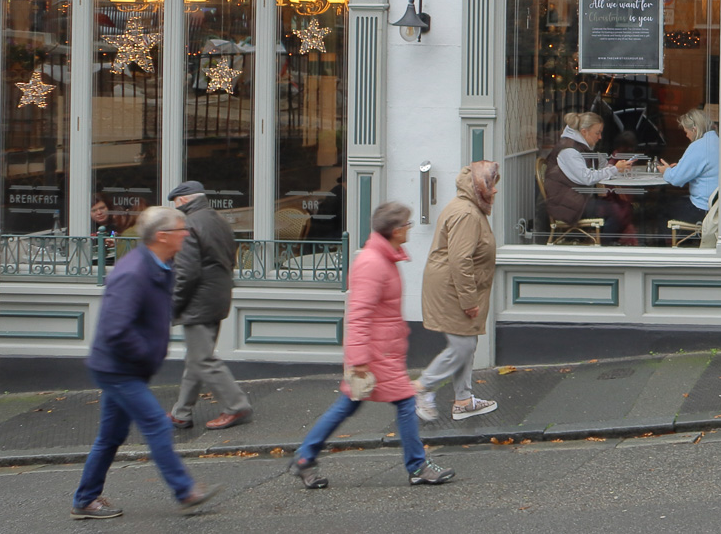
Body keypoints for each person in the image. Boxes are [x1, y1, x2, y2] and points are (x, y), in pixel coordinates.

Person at [70, 206, 224, 520]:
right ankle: (185, 492)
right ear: (163, 236)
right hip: (118, 368)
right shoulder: (133, 272)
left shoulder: (158, 264)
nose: (187, 233)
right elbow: (115, 329)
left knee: (111, 436)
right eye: (182, 229)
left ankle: (85, 500)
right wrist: (144, 354)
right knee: (156, 424)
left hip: (125, 366)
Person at [288, 202, 455, 489]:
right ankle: (418, 466)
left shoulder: (382, 257)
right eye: (407, 224)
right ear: (395, 230)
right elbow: (358, 315)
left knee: (347, 406)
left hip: (382, 350)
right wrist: (359, 360)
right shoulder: (372, 262)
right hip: (376, 354)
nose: (410, 229)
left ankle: (305, 457)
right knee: (404, 402)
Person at [416, 161, 500, 423]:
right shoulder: (467, 214)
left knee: (467, 342)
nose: (495, 191)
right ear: (479, 186)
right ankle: (421, 388)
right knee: (462, 346)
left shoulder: (469, 208)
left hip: (453, 286)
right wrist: (469, 300)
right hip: (451, 289)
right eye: (492, 184)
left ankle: (463, 401)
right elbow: (460, 260)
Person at [165, 181, 250, 431]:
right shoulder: (218, 220)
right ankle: (181, 412)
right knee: (196, 358)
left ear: (182, 201)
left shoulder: (189, 225)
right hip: (217, 295)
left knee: (202, 359)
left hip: (198, 300)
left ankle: (237, 406)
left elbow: (186, 273)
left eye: (176, 205)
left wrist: (173, 305)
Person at [542, 111, 634, 236]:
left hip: (576, 200)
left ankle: (601, 241)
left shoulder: (580, 147)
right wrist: (614, 169)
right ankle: (604, 245)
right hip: (566, 205)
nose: (600, 137)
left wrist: (616, 167)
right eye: (597, 133)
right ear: (584, 132)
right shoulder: (569, 151)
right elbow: (587, 178)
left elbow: (599, 165)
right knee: (618, 211)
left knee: (623, 207)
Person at [654, 107, 721, 228]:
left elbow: (676, 179)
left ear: (695, 129)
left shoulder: (699, 146)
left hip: (704, 210)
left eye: (687, 132)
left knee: (661, 206)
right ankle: (688, 241)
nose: (686, 136)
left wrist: (666, 171)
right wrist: (679, 168)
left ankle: (670, 245)